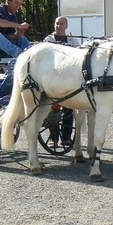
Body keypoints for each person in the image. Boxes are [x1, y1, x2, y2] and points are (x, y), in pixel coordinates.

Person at [44, 16, 80, 147]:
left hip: (68, 79)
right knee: (52, 109)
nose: (58, 26)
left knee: (69, 108)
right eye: (57, 23)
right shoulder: (48, 41)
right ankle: (53, 138)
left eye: (61, 24)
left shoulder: (73, 41)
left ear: (66, 26)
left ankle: (66, 137)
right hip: (53, 78)